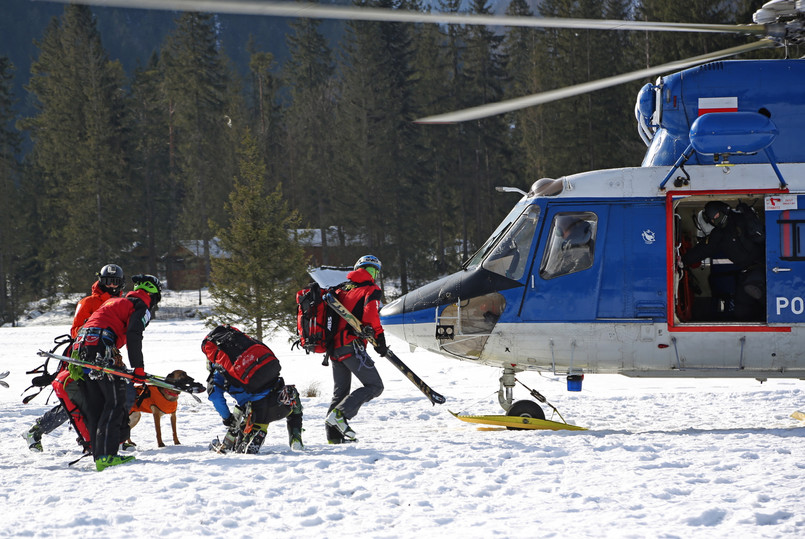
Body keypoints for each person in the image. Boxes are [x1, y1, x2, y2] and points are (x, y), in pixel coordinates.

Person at [23, 264, 125, 452]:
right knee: (78, 399)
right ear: (101, 281)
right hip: (83, 357)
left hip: (107, 357)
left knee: (111, 397)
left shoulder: (121, 303)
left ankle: (112, 436)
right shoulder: (87, 303)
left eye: (115, 282)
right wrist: (96, 332)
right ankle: (37, 430)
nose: (112, 286)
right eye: (108, 281)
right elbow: (75, 330)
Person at [73, 274, 161, 471]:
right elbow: (134, 334)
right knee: (114, 402)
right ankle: (108, 455)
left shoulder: (116, 301)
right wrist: (138, 368)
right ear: (154, 294)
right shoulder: (141, 305)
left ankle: (100, 456)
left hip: (82, 347)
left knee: (97, 404)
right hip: (101, 346)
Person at [324, 255, 387, 444]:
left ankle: (334, 437)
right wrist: (380, 338)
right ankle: (340, 415)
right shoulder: (371, 289)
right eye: (373, 271)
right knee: (375, 386)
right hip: (351, 347)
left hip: (334, 349)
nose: (373, 275)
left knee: (340, 392)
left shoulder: (342, 288)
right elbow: (370, 316)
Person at [681, 201, 765, 321]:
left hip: (762, 269)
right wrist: (683, 260)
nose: (714, 220)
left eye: (715, 216)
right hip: (746, 272)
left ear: (723, 210)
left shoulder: (743, 219)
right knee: (741, 310)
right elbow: (703, 250)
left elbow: (760, 235)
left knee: (756, 295)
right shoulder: (719, 234)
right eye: (711, 219)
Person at [206, 356, 304, 454]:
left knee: (250, 416)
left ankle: (249, 438)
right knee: (292, 395)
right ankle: (295, 438)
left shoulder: (219, 373)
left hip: (256, 413)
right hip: (281, 403)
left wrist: (227, 418)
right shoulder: (249, 356)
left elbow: (215, 397)